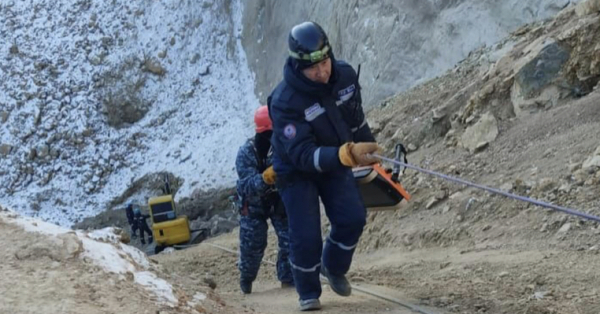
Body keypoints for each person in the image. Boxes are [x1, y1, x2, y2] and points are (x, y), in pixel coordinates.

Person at [267, 21, 380, 311]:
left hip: (335, 156)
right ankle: (307, 292)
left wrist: (367, 148)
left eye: (325, 62)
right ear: (299, 66)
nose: (322, 72)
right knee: (305, 235)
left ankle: (333, 266)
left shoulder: (345, 77)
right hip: (296, 170)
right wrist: (345, 155)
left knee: (353, 217)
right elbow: (303, 154)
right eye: (313, 68)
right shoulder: (284, 101)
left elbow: (355, 118)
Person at [235, 105, 294, 294]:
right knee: (253, 243)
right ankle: (246, 279)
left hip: (278, 200)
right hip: (253, 205)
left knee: (290, 238)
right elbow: (246, 186)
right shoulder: (246, 153)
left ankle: (288, 278)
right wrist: (265, 178)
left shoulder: (284, 145)